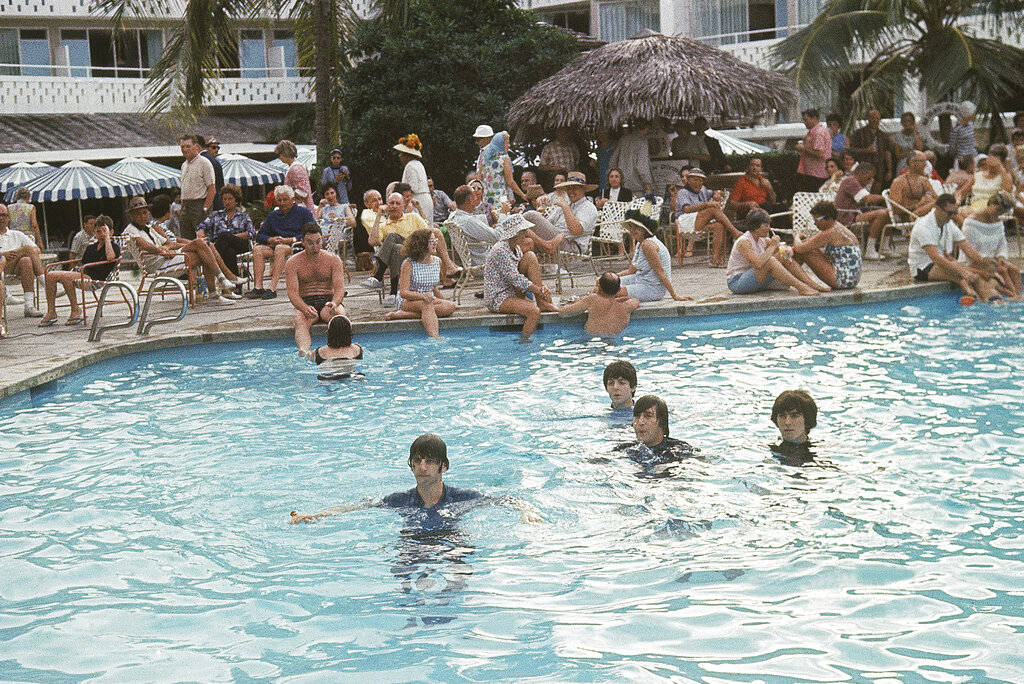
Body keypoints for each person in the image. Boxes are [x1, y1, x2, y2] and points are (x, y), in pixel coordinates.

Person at [290, 433, 542, 525]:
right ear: (410, 465)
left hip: (450, 540)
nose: (423, 466)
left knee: (460, 569)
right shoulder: (401, 501)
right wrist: (316, 515)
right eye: (418, 460)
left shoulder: (461, 498)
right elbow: (357, 506)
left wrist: (527, 511)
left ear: (444, 466)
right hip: (413, 542)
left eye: (430, 461)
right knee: (403, 573)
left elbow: (508, 499)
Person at [121, 195, 236, 304]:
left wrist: (167, 248)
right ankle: (221, 282)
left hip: (166, 259)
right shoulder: (130, 230)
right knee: (204, 248)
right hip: (157, 266)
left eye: (144, 213)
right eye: (138, 214)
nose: (142, 216)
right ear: (132, 215)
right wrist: (164, 251)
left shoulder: (149, 228)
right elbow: (145, 245)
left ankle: (217, 288)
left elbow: (169, 243)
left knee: (204, 249)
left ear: (148, 213)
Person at [364, 192, 458, 304]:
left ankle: (378, 276)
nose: (394, 206)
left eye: (397, 203)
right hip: (401, 259)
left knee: (392, 236)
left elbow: (429, 234)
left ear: (403, 206)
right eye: (391, 203)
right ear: (387, 205)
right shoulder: (384, 225)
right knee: (397, 248)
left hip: (417, 254)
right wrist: (378, 215)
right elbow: (372, 241)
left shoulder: (413, 217)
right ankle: (393, 293)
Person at [907, 193, 1000, 301]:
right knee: (967, 275)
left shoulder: (948, 223)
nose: (953, 216)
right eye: (949, 213)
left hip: (941, 262)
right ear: (937, 209)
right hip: (922, 267)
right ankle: (985, 299)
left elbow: (968, 249)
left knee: (976, 274)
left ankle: (984, 299)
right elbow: (935, 258)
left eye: (954, 213)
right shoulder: (924, 226)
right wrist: (963, 272)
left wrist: (986, 264)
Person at [37, 215, 120, 327]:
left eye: (104, 231)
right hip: (83, 274)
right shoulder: (91, 247)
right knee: (50, 275)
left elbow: (110, 257)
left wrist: (107, 238)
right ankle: (51, 312)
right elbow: (84, 262)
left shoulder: (114, 247)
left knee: (67, 277)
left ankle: (76, 310)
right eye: (98, 231)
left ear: (111, 232)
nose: (101, 234)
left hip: (95, 280)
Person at [483, 214, 554, 343]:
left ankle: (542, 302)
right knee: (534, 312)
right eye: (523, 231)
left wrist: (541, 289)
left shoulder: (515, 248)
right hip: (499, 296)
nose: (526, 234)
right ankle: (524, 343)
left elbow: (520, 277)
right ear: (515, 233)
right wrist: (538, 290)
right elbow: (516, 279)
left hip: (512, 290)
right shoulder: (500, 251)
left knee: (530, 256)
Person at [726, 210, 825, 296]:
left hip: (754, 277)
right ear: (756, 227)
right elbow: (757, 263)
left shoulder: (762, 239)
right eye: (765, 225)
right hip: (737, 281)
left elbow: (783, 250)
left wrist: (788, 251)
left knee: (783, 256)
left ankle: (810, 283)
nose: (769, 228)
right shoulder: (744, 241)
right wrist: (773, 246)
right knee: (771, 261)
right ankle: (801, 287)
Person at [383, 228, 457, 338]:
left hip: (428, 298)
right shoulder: (408, 264)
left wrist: (443, 301)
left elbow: (434, 287)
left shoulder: (438, 261)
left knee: (450, 306)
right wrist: (422, 296)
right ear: (422, 244)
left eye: (435, 240)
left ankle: (403, 315)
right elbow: (404, 292)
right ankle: (435, 338)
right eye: (431, 241)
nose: (435, 243)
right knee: (427, 305)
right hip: (409, 300)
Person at [286, 223, 347, 355]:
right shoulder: (293, 262)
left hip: (328, 300)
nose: (315, 247)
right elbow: (292, 293)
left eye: (318, 242)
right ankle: (304, 351)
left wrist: (335, 303)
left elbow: (339, 289)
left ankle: (342, 350)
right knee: (299, 320)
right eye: (310, 243)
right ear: (302, 242)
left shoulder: (333, 260)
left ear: (322, 239)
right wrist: (304, 308)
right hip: (306, 302)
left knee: (340, 318)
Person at [249, 185, 315, 300]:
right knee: (257, 249)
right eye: (279, 200)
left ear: (292, 199)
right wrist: (270, 240)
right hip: (276, 245)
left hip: (296, 245)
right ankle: (258, 287)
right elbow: (260, 235)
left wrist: (290, 240)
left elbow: (311, 231)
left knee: (280, 248)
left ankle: (272, 287)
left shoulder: (304, 213)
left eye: (285, 199)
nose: (282, 203)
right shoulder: (273, 215)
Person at [617, 209, 690, 302]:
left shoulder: (647, 245)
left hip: (653, 287)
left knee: (614, 292)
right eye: (631, 227)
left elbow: (661, 273)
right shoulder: (640, 244)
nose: (632, 230)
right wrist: (611, 277)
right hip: (639, 279)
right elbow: (631, 270)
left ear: (643, 230)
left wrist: (675, 295)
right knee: (601, 284)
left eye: (636, 227)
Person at [673, 168, 740, 267]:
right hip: (685, 222)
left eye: (700, 180)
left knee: (719, 225)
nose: (698, 183)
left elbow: (714, 192)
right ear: (688, 180)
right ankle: (735, 232)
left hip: (698, 222)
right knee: (712, 208)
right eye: (695, 180)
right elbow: (687, 209)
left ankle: (715, 260)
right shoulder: (683, 192)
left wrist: (718, 194)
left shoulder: (703, 191)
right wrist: (706, 204)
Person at [522, 172, 599, 255]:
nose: (571, 191)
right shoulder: (565, 203)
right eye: (568, 188)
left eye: (574, 188)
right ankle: (546, 245)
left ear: (583, 189)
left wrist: (565, 207)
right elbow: (549, 223)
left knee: (530, 216)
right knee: (526, 242)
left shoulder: (588, 207)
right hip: (555, 240)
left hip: (571, 245)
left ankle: (548, 245)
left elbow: (576, 230)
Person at [961, 193, 1021, 298]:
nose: (998, 214)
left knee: (1014, 269)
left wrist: (1001, 257)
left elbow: (1002, 244)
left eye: (1002, 212)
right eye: (998, 210)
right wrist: (989, 262)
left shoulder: (998, 223)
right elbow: (970, 251)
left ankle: (1019, 297)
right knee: (1003, 270)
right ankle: (1013, 296)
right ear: (990, 204)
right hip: (975, 261)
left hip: (993, 260)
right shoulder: (970, 223)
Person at [615, 395, 698, 470]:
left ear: (662, 423)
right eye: (637, 416)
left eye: (648, 416)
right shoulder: (624, 450)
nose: (640, 422)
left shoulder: (680, 450)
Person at [792, 201, 862, 290]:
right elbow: (809, 243)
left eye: (816, 220)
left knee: (804, 252)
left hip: (843, 279)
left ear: (827, 218)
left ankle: (803, 284)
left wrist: (796, 236)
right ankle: (790, 279)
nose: (814, 224)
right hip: (851, 278)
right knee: (809, 248)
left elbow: (799, 248)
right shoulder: (837, 227)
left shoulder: (831, 232)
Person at [196, 184, 256, 286]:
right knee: (229, 252)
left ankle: (214, 268)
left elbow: (252, 233)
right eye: (225, 199)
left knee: (224, 235)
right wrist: (201, 235)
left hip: (239, 244)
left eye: (230, 199)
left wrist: (231, 237)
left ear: (236, 200)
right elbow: (200, 226)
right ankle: (235, 285)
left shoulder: (243, 216)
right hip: (224, 247)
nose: (227, 202)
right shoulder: (216, 215)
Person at [834, 162, 889, 260]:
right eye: (868, 178)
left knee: (888, 212)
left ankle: (885, 247)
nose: (870, 181)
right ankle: (870, 250)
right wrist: (887, 197)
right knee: (882, 213)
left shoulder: (857, 182)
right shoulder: (850, 181)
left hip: (855, 214)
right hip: (846, 217)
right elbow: (868, 198)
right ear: (860, 174)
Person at [1, 203, 47, 317]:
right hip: (1, 268)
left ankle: (29, 306)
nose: (0, 218)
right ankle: (47, 283)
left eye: (3, 215)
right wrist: (3, 254)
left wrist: (18, 253)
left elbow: (36, 250)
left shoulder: (17, 234)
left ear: (9, 217)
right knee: (27, 250)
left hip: (15, 269)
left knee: (26, 260)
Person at [558, 272, 639, 336]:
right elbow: (635, 300)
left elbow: (562, 313)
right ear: (619, 289)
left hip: (593, 340)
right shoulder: (627, 307)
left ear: (599, 287)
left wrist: (577, 302)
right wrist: (617, 299)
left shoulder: (592, 299)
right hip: (615, 340)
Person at [474, 126, 527, 207]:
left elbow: (479, 179)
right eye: (507, 143)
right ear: (501, 144)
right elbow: (510, 182)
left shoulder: (483, 158)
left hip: (486, 201)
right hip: (501, 202)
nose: (509, 146)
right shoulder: (504, 159)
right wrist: (523, 195)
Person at [177, 133, 216, 240]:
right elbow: (184, 188)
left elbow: (212, 189)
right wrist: (182, 207)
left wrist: (205, 209)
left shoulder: (204, 163)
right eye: (182, 147)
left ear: (196, 146)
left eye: (188, 146)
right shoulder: (184, 165)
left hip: (199, 204)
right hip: (186, 206)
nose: (185, 149)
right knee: (187, 240)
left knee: (203, 240)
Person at [847, 109, 893, 191]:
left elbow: (887, 153)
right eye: (872, 118)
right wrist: (865, 150)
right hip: (863, 168)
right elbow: (851, 150)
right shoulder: (859, 133)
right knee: (862, 191)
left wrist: (889, 170)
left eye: (877, 118)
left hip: (879, 168)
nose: (875, 120)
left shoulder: (883, 135)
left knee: (876, 190)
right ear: (868, 118)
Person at [770, 390, 818, 465]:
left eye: (794, 416)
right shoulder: (768, 451)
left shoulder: (821, 453)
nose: (787, 422)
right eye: (782, 416)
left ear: (807, 419)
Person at [889, 151, 938, 222]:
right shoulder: (899, 182)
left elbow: (937, 198)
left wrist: (928, 199)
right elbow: (896, 210)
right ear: (912, 163)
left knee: (945, 204)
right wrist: (918, 205)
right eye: (923, 161)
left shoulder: (924, 180)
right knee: (941, 204)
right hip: (910, 217)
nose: (926, 164)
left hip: (927, 215)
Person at [394, 134, 433, 222]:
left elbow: (412, 187)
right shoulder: (418, 164)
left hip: (418, 200)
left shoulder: (410, 166)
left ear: (407, 155)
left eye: (401, 154)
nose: (399, 156)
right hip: (425, 199)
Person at [610, 120, 653, 196]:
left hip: (622, 185)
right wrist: (648, 186)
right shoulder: (642, 142)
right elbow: (642, 167)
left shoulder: (623, 139)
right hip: (637, 187)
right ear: (647, 128)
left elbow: (613, 161)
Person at [796, 108, 833, 193]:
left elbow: (819, 153)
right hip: (811, 172)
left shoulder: (818, 133)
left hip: (817, 174)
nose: (805, 123)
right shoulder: (813, 132)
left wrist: (804, 149)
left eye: (806, 120)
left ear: (814, 119)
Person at [276, 139, 315, 213]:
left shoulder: (296, 169)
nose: (279, 157)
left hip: (300, 210)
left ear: (285, 153)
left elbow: (303, 192)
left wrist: (284, 192)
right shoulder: (293, 168)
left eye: (279, 154)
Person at [201, 136, 225, 212]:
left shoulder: (210, 161)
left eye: (218, 148)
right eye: (213, 147)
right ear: (206, 148)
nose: (217, 150)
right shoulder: (214, 162)